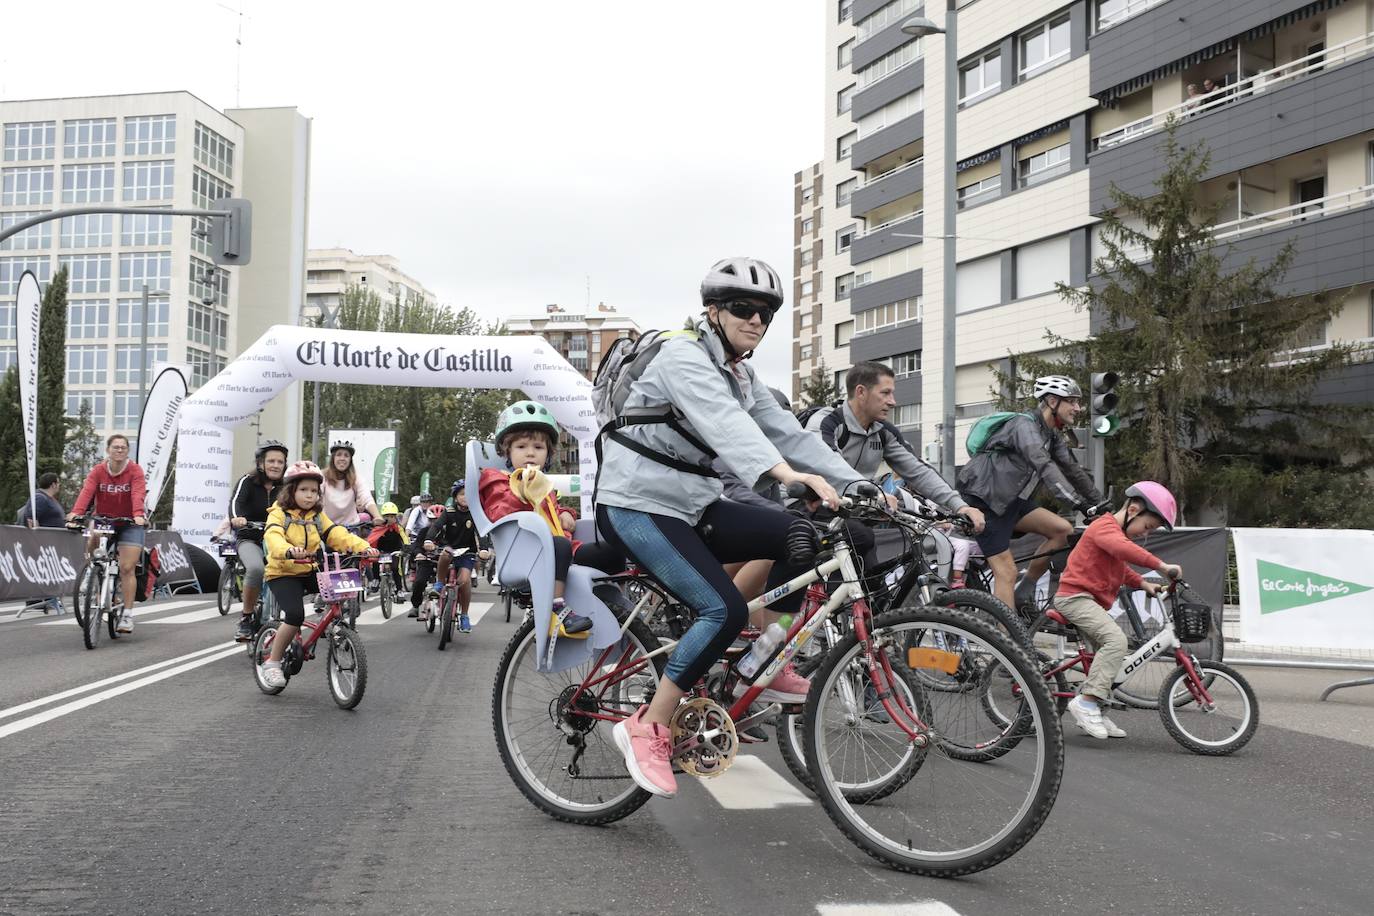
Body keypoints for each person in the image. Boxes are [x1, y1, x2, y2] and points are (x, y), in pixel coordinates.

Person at [596, 256, 867, 799]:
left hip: (693, 505)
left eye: (766, 314)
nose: (756, 322)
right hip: (635, 504)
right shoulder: (682, 355)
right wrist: (786, 476)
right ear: (713, 311)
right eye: (744, 309)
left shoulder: (741, 374)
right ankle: (646, 724)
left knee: (803, 539)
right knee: (722, 608)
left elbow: (794, 435)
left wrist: (867, 487)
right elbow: (727, 424)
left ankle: (760, 657)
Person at [956, 375, 1104, 615]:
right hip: (985, 501)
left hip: (1010, 501)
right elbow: (1044, 466)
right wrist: (1078, 504)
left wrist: (1100, 505)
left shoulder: (1051, 434)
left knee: (1062, 531)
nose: (1078, 408)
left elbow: (1073, 471)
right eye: (1072, 402)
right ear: (1053, 401)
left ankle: (1024, 592)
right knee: (1006, 571)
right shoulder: (1023, 426)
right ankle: (1003, 643)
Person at [478, 401, 625, 637]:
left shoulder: (543, 484)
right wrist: (522, 489)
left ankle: (617, 607)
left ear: (547, 454)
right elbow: (500, 513)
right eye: (521, 446)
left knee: (613, 552)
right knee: (558, 544)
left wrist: (568, 513)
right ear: (507, 451)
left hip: (562, 550)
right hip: (527, 551)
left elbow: (553, 511)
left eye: (538, 447)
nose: (530, 452)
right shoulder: (497, 479)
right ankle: (556, 609)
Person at [1055, 482, 1182, 740]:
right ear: (1133, 509)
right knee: (1116, 642)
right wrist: (1160, 566)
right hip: (1075, 598)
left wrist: (1144, 584)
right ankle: (1086, 703)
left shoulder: (1115, 537)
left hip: (1090, 602)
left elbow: (1121, 568)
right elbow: (1124, 551)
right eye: (1147, 527)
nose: (1144, 534)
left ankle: (1097, 710)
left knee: (1104, 660)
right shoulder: (1104, 527)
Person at [809, 361, 985, 531]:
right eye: (885, 393)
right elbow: (828, 467)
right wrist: (875, 494)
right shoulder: (827, 422)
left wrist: (960, 507)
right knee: (862, 538)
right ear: (861, 392)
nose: (893, 402)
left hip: (848, 511)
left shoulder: (884, 432)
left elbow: (918, 471)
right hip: (807, 506)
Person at [258, 460, 377, 688]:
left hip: (309, 569)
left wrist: (363, 547)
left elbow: (337, 534)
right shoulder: (278, 514)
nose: (310, 495)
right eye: (303, 490)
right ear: (290, 491)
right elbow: (272, 537)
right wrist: (288, 550)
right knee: (294, 615)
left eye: (314, 491)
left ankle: (328, 625)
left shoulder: (316, 516)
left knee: (337, 594)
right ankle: (272, 662)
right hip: (282, 572)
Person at [68, 434, 147, 634]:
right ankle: (92, 570)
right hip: (104, 518)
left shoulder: (135, 471)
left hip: (129, 522)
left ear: (127, 451)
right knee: (92, 532)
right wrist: (76, 513)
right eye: (115, 447)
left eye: (123, 447)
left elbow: (138, 493)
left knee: (127, 568)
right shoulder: (98, 470)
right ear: (108, 450)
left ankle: (127, 615)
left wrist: (138, 515)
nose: (119, 450)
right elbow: (87, 492)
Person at [229, 440, 289, 642]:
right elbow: (236, 503)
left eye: (280, 462)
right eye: (271, 461)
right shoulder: (247, 481)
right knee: (255, 569)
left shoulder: (287, 487)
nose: (275, 465)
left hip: (278, 541)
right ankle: (246, 618)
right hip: (250, 538)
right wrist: (238, 519)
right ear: (260, 463)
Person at [420, 481, 481, 633]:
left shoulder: (475, 513)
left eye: (468, 494)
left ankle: (465, 616)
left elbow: (481, 533)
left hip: (468, 552)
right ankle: (439, 583)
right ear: (455, 497)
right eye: (461, 494)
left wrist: (485, 549)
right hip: (450, 549)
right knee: (445, 553)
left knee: (464, 581)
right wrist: (428, 540)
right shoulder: (449, 512)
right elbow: (436, 526)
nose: (465, 497)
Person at [16, 473, 66, 615]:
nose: (59, 486)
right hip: (44, 544)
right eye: (59, 483)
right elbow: (30, 518)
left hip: (51, 544)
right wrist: (38, 539)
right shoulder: (40, 497)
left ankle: (49, 599)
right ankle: (40, 600)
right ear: (53, 484)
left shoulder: (47, 498)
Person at [321, 440, 380, 527]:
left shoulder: (356, 479)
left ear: (350, 460)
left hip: (351, 527)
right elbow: (316, 498)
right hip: (328, 527)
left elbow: (366, 498)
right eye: (339, 454)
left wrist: (377, 516)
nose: (342, 458)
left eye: (346, 455)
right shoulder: (322, 477)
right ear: (333, 458)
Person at [408, 503, 447, 619]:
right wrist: (419, 554)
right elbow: (416, 546)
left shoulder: (449, 533)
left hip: (445, 562)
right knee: (419, 582)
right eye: (432, 521)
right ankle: (415, 606)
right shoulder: (424, 532)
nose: (435, 524)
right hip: (427, 561)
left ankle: (450, 605)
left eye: (439, 521)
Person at [364, 501, 409, 595]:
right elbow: (372, 539)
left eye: (392, 516)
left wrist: (406, 547)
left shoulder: (398, 528)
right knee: (375, 561)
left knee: (396, 568)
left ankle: (399, 589)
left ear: (395, 517)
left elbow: (404, 537)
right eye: (387, 516)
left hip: (395, 551)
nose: (390, 519)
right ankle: (376, 579)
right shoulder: (379, 528)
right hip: (381, 551)